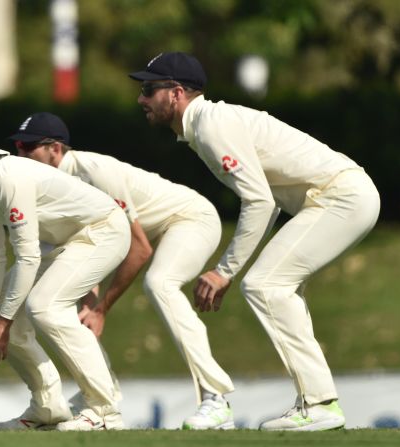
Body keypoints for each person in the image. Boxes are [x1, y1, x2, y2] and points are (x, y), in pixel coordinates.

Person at [130, 52, 381, 431]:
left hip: (341, 196)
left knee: (266, 284)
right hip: (339, 196)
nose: (141, 99)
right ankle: (314, 401)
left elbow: (260, 202)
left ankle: (320, 405)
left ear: (176, 92)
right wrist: (230, 268)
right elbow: (271, 201)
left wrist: (223, 272)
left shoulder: (212, 125)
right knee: (274, 286)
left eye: (149, 89)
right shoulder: (206, 126)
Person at [9, 111, 236, 430]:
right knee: (59, 304)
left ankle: (216, 398)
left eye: (27, 147)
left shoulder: (93, 170)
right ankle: (100, 395)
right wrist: (88, 301)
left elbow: (138, 247)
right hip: (134, 235)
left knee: (160, 284)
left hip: (190, 219)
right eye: (17, 147)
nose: (20, 154)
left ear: (55, 149)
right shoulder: (47, 187)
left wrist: (102, 308)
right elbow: (83, 249)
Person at [0, 115, 131, 431]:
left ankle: (105, 412)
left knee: (45, 307)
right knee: (8, 316)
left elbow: (28, 256)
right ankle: (48, 406)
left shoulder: (7, 178)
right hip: (64, 242)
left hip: (104, 229)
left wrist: (1, 322)